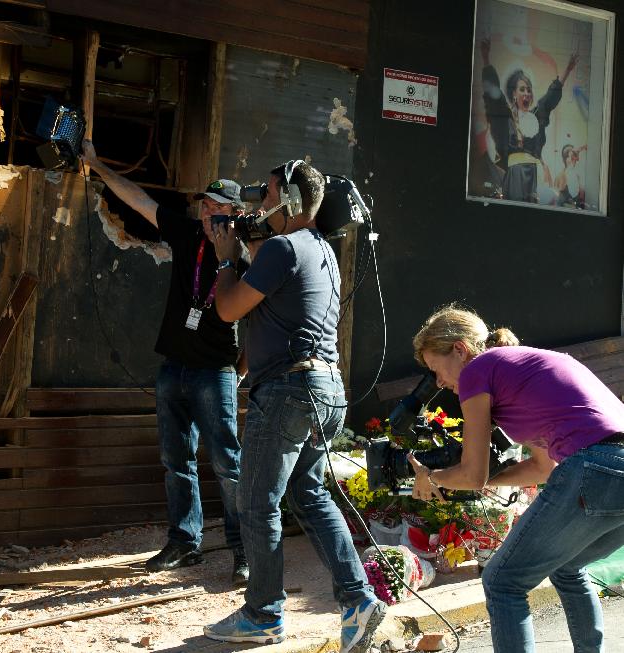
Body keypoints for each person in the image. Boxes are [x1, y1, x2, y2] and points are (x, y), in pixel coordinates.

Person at [202, 160, 386, 652]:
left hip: (288, 392)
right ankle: (358, 599)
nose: (260, 204)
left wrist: (225, 258)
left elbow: (226, 309)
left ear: (291, 202)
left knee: (257, 501)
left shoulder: (284, 246)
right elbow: (275, 301)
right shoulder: (319, 248)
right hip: (326, 390)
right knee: (307, 494)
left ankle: (262, 614)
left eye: (267, 195)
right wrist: (247, 249)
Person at [80, 140, 250, 585]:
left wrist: (240, 369)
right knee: (176, 460)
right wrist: (97, 164)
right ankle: (183, 542)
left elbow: (260, 319)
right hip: (174, 367)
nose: (206, 212)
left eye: (215, 207)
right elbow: (139, 199)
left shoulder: (244, 256)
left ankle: (243, 549)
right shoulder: (187, 233)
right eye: (204, 204)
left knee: (228, 464)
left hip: (216, 372)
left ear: (232, 213)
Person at [408, 304, 624, 653]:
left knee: (503, 582)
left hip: (593, 467)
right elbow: (541, 469)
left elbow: (473, 474)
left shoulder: (478, 369)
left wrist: (432, 478)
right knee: (568, 567)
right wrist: (459, 479)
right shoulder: (517, 368)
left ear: (460, 349)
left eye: (437, 368)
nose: (439, 382)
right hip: (613, 468)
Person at [480, 37, 578, 203]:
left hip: (536, 173)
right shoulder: (507, 117)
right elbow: (494, 95)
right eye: (522, 89)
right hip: (515, 174)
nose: (527, 93)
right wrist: (485, 58)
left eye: (529, 90)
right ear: (514, 94)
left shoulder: (537, 115)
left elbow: (550, 97)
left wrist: (567, 70)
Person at [554, 143, 587, 209]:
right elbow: (557, 194)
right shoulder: (561, 175)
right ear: (565, 159)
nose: (574, 159)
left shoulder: (577, 171)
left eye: (574, 156)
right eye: (570, 157)